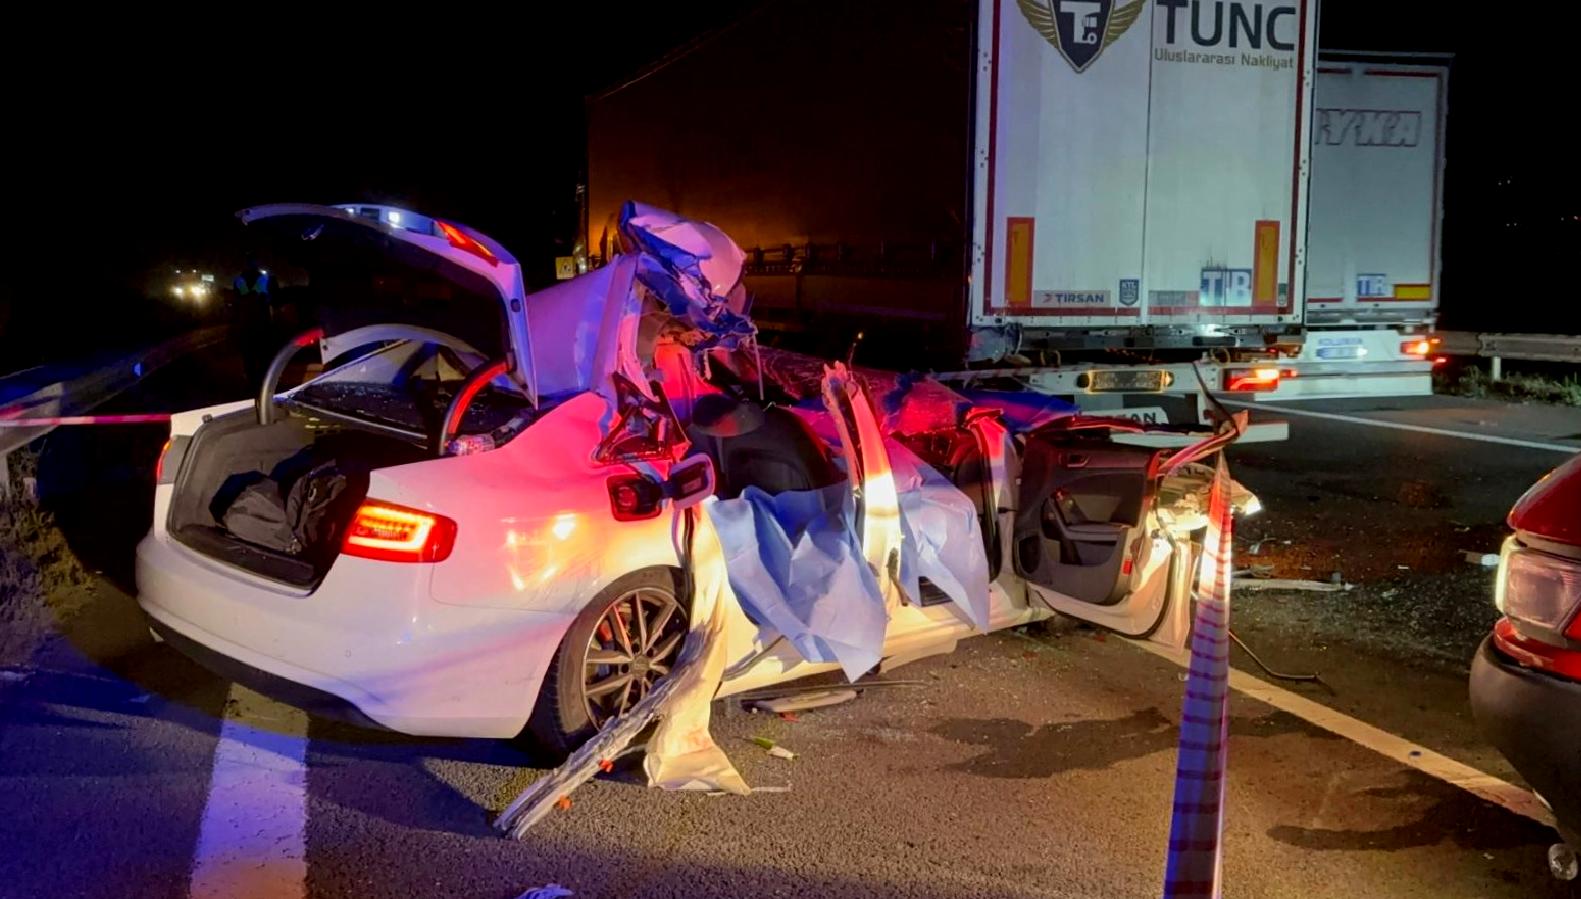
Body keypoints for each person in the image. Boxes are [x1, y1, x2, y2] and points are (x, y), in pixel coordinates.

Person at [233, 259, 274, 389]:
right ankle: (265, 380)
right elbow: (270, 298)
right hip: (261, 321)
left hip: (247, 322)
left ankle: (252, 380)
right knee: (262, 352)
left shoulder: (240, 280)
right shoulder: (264, 279)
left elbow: (239, 299)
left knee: (250, 353)